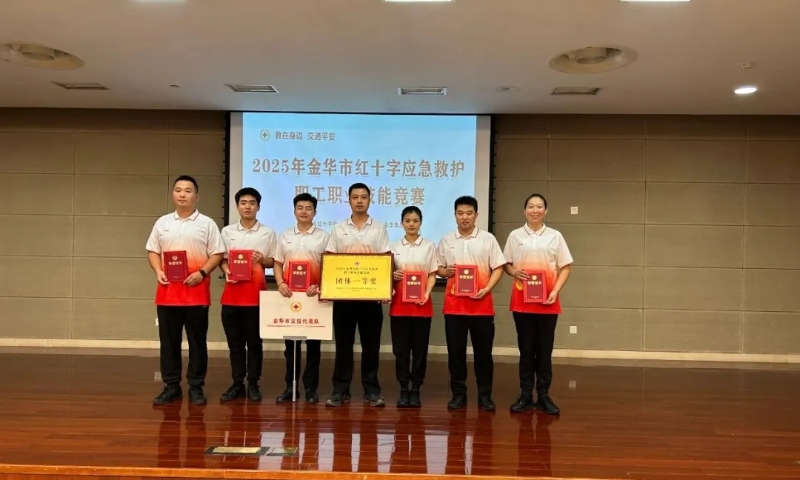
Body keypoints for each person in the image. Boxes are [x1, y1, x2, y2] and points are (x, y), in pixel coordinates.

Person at [145, 175, 225, 406]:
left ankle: (196, 386)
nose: (182, 194)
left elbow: (217, 253)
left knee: (197, 342)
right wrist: (158, 270)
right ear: (173, 194)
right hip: (167, 294)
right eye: (178, 190)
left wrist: (202, 273)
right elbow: (153, 251)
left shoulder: (207, 224)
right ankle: (171, 386)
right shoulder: (162, 223)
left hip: (196, 294)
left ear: (196, 197)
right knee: (168, 342)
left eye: (188, 191)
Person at [503, 193, 573, 416]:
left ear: (546, 211)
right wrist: (514, 272)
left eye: (539, 206)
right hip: (521, 302)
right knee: (525, 350)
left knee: (544, 351)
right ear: (524, 211)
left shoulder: (555, 236)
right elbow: (506, 264)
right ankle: (525, 395)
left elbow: (565, 267)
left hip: (547, 302)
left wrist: (555, 291)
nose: (535, 210)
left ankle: (543, 395)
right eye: (531, 206)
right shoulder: (515, 236)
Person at [436, 195, 506, 411]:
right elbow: (438, 268)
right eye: (460, 213)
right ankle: (458, 394)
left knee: (483, 355)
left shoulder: (488, 239)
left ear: (476, 215)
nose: (464, 217)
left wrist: (487, 288)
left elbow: (499, 267)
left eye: (469, 213)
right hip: (454, 307)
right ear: (455, 215)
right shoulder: (446, 240)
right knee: (455, 353)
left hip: (482, 306)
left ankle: (485, 395)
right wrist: (445, 272)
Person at [325, 183, 391, 408]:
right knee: (343, 345)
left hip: (371, 297)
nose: (359, 201)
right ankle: (340, 390)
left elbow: (385, 258)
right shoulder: (338, 228)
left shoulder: (379, 228)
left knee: (371, 346)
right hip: (344, 297)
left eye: (364, 197)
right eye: (355, 197)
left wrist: (385, 289)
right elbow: (330, 258)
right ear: (349, 200)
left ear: (370, 200)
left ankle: (371, 390)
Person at [218, 187, 276, 403]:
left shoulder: (268, 233)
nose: (247, 207)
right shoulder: (227, 232)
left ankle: (253, 383)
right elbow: (222, 259)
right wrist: (226, 270)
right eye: (243, 203)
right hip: (232, 296)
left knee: (254, 343)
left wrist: (263, 260)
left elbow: (274, 261)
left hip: (256, 296)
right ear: (237, 207)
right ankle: (237, 383)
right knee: (235, 344)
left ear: (258, 207)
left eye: (252, 203)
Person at [273, 193, 330, 404]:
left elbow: (331, 266)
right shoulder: (285, 235)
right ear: (294, 211)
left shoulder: (324, 237)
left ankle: (311, 388)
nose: (304, 211)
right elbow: (278, 262)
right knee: (291, 347)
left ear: (315, 212)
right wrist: (280, 283)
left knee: (314, 346)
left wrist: (320, 286)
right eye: (300, 207)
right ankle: (291, 387)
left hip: (313, 297)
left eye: (308, 208)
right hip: (290, 297)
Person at [389, 206, 438, 408]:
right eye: (407, 220)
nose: (411, 224)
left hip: (422, 305)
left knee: (419, 350)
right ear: (402, 223)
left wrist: (426, 293)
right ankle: (403, 388)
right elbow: (385, 275)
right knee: (400, 351)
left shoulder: (429, 246)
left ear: (421, 223)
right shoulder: (393, 247)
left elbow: (432, 273)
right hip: (399, 306)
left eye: (415, 220)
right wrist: (393, 275)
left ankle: (416, 388)